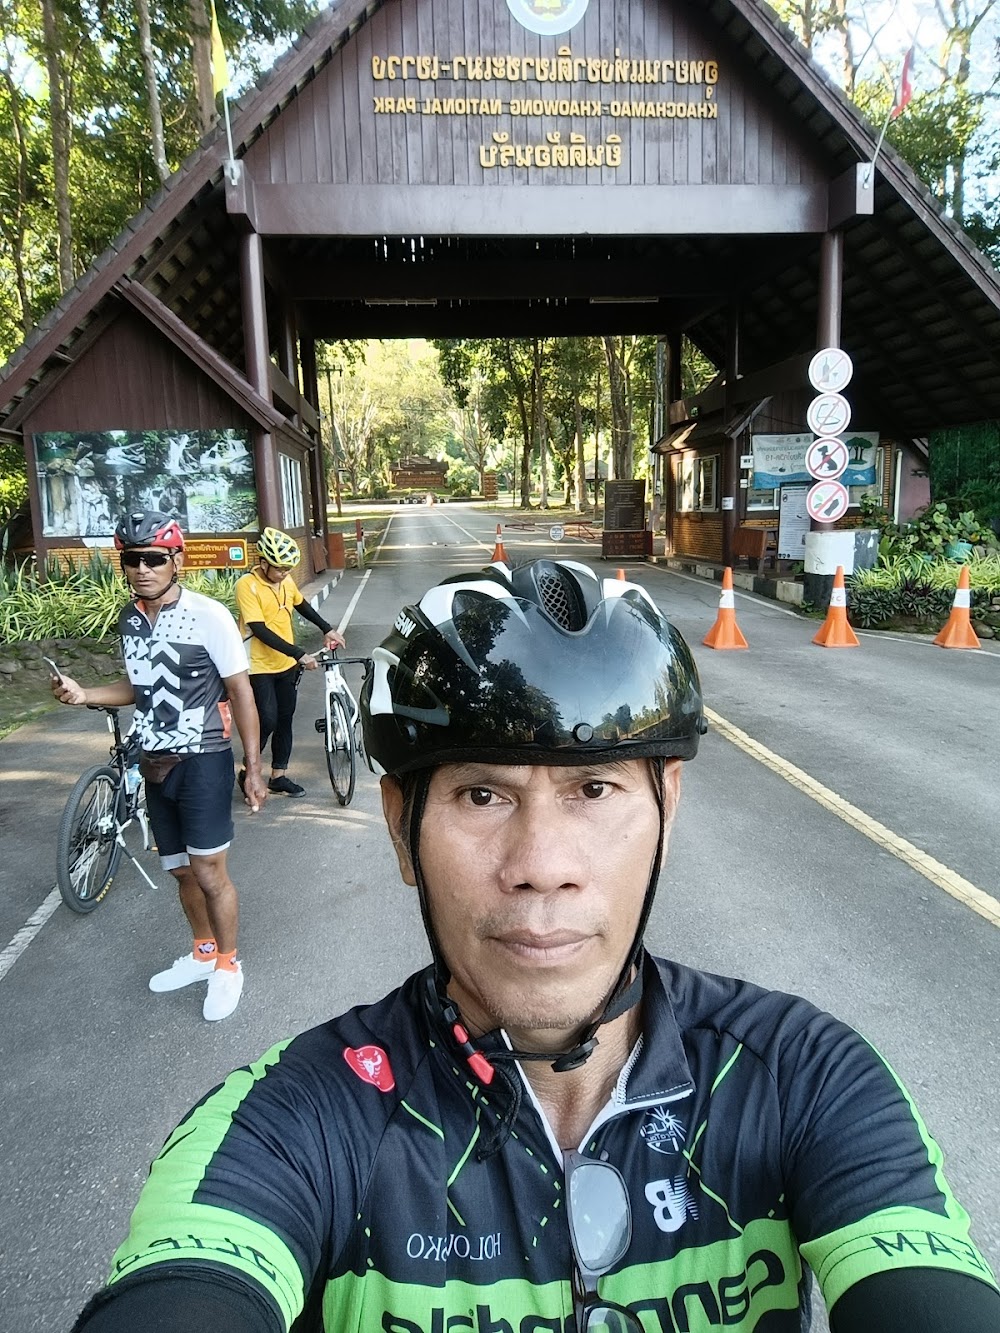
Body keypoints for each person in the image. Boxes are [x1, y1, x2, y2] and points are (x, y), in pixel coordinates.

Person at [71, 559, 999, 1331]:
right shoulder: (296, 1119)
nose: (542, 866)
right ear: (402, 829)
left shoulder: (805, 1078)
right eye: (482, 794)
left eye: (595, 790)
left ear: (667, 811)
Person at [53, 511, 267, 1022]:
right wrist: (84, 694)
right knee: (178, 871)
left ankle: (229, 967)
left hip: (204, 758)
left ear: (176, 560)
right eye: (133, 560)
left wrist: (252, 766)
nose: (143, 569)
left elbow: (241, 690)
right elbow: (138, 689)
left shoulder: (209, 615)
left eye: (154, 558)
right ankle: (203, 954)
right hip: (155, 762)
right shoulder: (129, 619)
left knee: (210, 872)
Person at [234, 526, 345, 798]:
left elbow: (301, 605)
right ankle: (250, 769)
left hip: (286, 666)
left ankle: (278, 776)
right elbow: (258, 629)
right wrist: (299, 652)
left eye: (287, 568)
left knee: (285, 719)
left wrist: (327, 628)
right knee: (267, 719)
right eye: (280, 568)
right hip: (258, 665)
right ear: (263, 563)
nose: (285, 574)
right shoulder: (246, 585)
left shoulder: (284, 581)